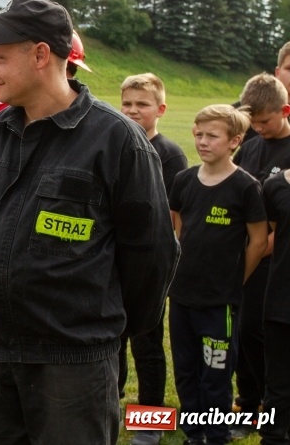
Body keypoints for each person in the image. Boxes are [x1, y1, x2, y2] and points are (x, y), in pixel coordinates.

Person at [0, 0, 178, 444]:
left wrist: (101, 334)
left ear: (41, 55)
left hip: (73, 364)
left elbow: (151, 256)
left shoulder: (117, 141)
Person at [169, 104, 268, 445]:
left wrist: (236, 280)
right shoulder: (183, 180)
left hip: (219, 303)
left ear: (235, 141)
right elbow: (178, 228)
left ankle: (216, 434)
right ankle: (194, 433)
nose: (202, 141)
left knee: (215, 374)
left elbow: (258, 241)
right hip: (182, 296)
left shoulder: (246, 187)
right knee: (186, 369)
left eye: (212, 136)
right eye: (199, 134)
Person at [118, 73, 188, 445]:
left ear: (160, 109)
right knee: (110, 342)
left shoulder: (170, 154)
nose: (133, 111)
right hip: (112, 263)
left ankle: (150, 421)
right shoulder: (114, 142)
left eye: (142, 105)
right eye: (127, 103)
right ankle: (107, 404)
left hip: (148, 267)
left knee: (146, 346)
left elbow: (175, 218)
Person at [230, 72, 290, 439]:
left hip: (273, 262)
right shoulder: (251, 146)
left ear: (285, 111)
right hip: (246, 256)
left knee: (261, 332)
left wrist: (253, 254)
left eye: (265, 121)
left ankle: (273, 403)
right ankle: (248, 402)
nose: (258, 128)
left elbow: (277, 226)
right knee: (243, 331)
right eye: (253, 122)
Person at [260, 160, 290, 444]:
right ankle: (273, 436)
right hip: (282, 297)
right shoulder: (275, 186)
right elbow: (273, 235)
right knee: (278, 379)